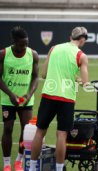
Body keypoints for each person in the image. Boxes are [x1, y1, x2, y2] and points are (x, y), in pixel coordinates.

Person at [29, 26, 89, 171]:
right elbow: (85, 83)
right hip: (66, 99)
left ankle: (31, 168)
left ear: (70, 37)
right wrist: (79, 80)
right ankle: (59, 168)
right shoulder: (81, 56)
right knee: (62, 135)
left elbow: (43, 74)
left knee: (40, 131)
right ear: (82, 40)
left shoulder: (54, 48)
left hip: (48, 95)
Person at [0, 26, 39, 171]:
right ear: (14, 42)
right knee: (8, 129)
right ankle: (6, 164)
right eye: (21, 44)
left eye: (26, 44)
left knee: (26, 130)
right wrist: (10, 94)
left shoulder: (33, 54)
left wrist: (29, 94)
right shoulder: (4, 54)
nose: (24, 47)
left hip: (26, 99)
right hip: (8, 99)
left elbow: (35, 77)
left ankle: (19, 161)